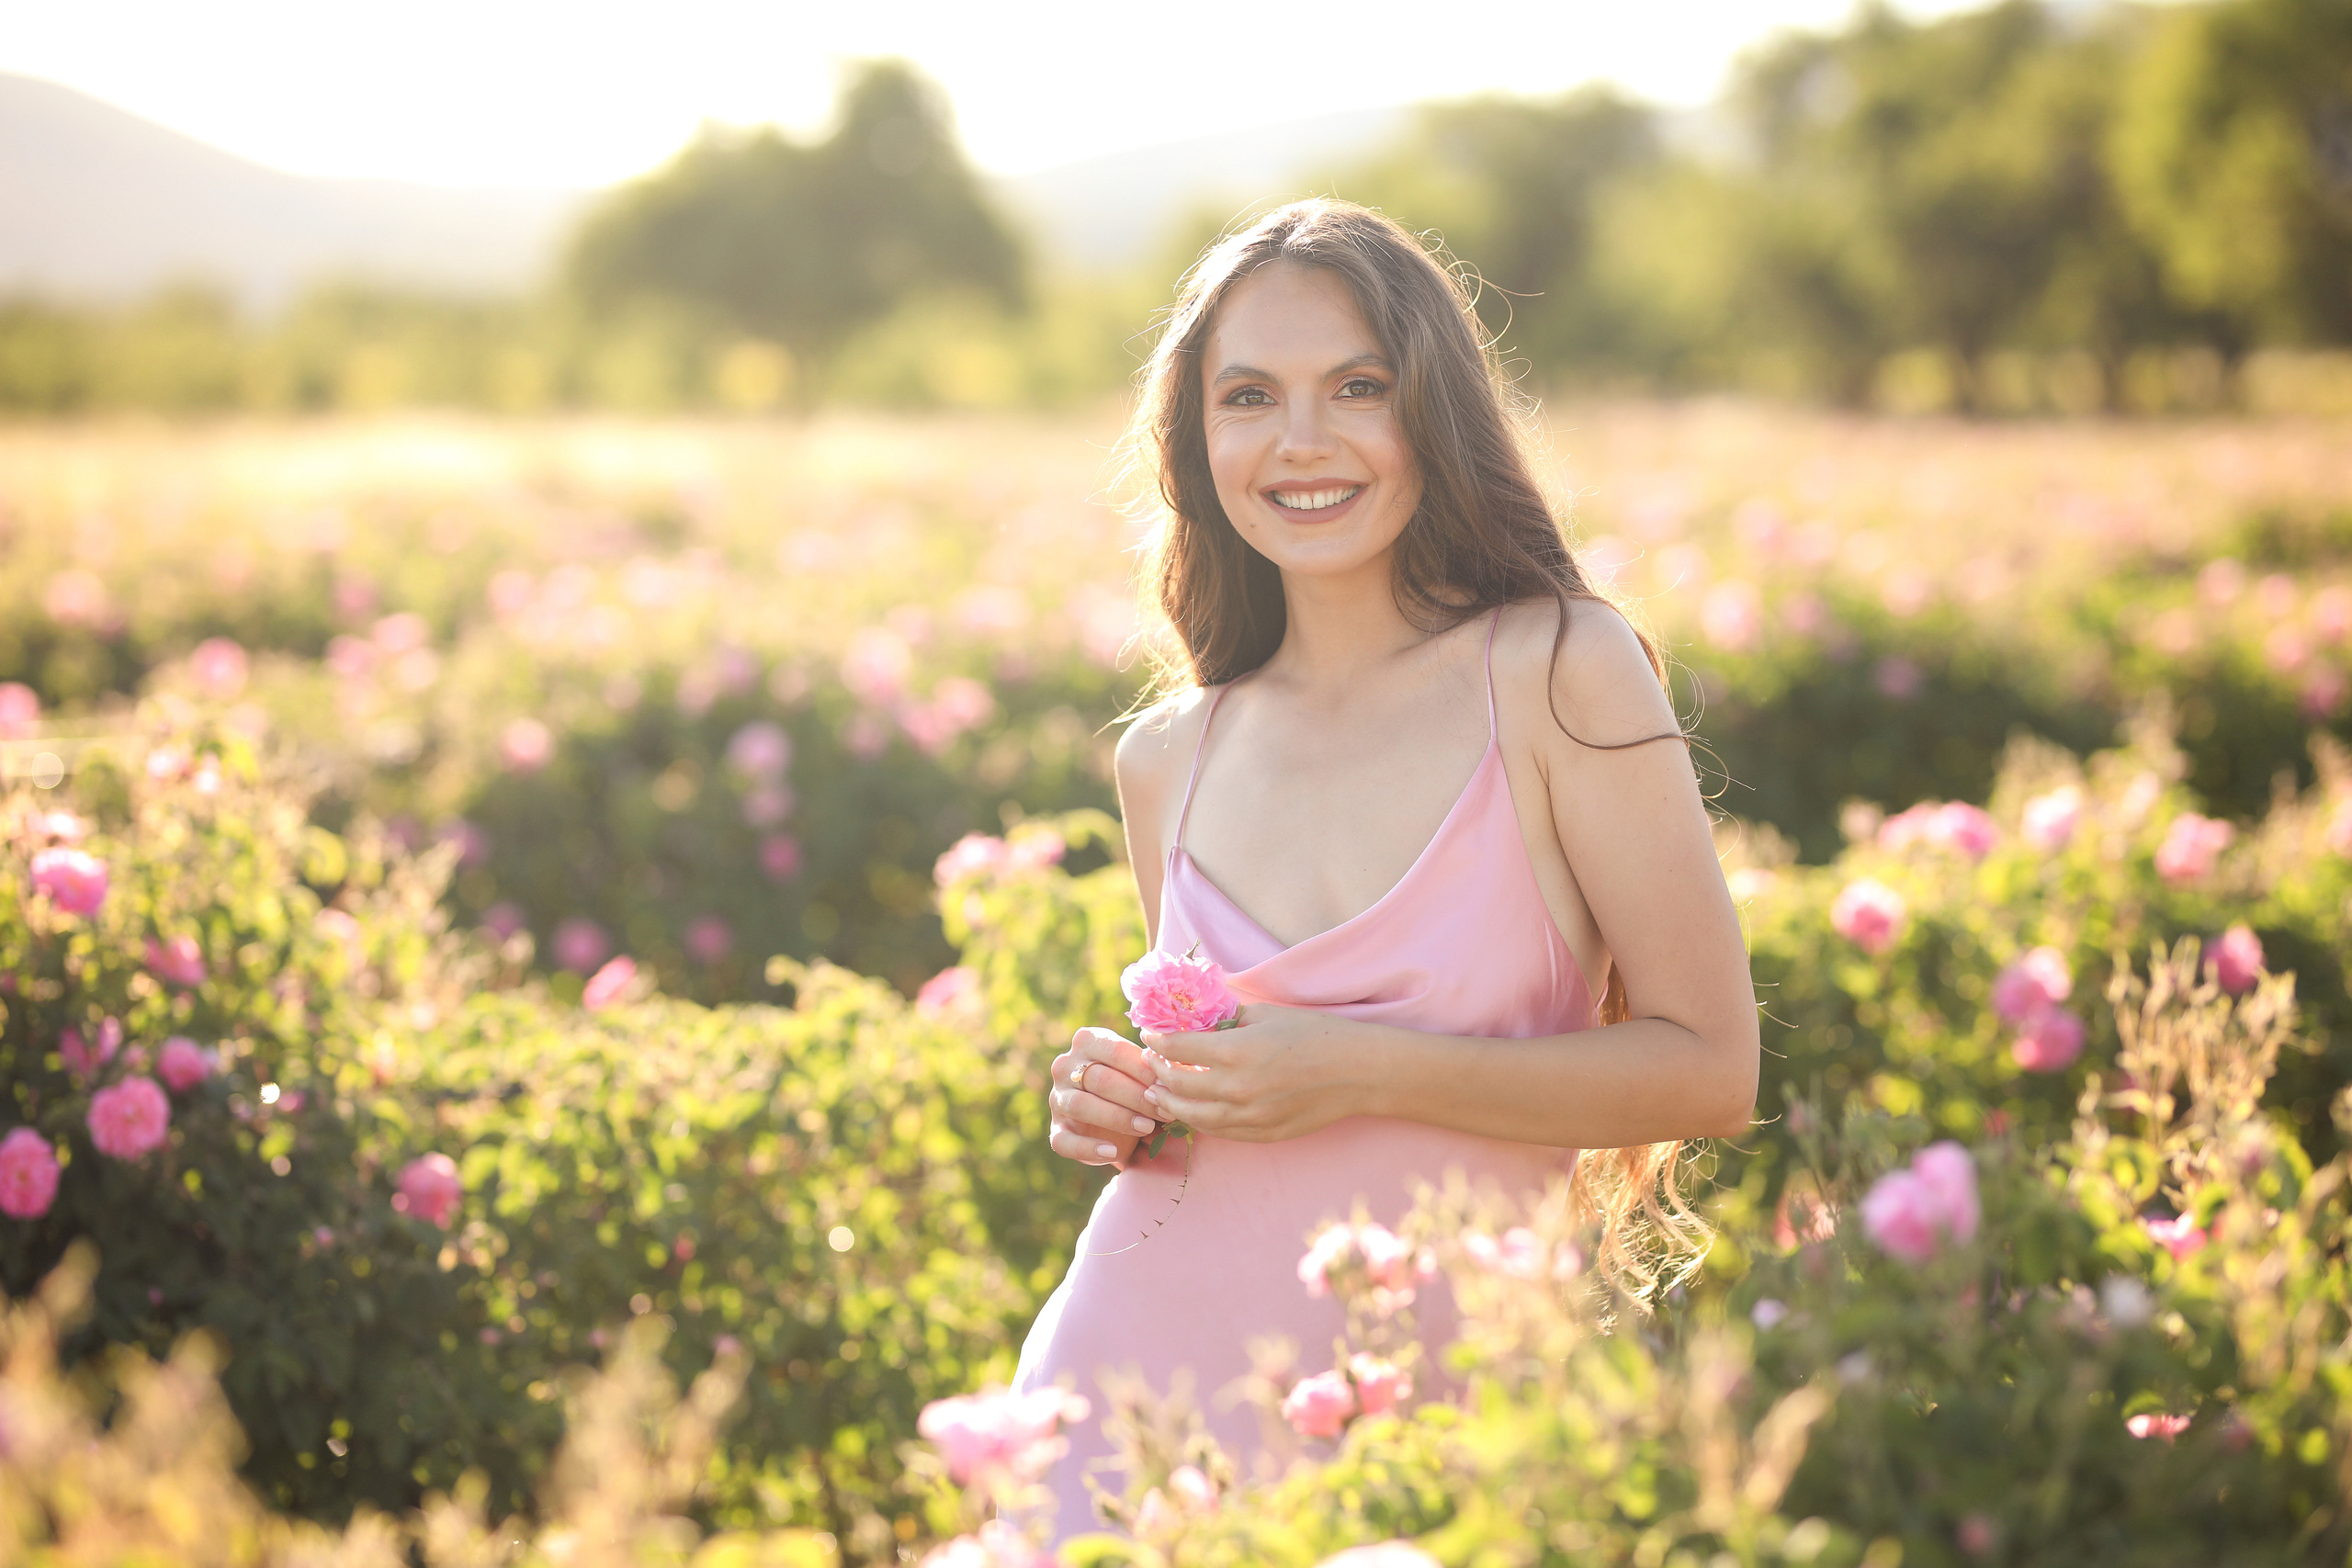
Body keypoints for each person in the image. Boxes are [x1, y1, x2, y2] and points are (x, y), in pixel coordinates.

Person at [1011, 198, 1758, 1540]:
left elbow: (1710, 1068)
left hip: (1443, 1404)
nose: (1303, 441)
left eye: (1358, 387)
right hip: (1127, 1398)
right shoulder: (1169, 756)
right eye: (1250, 397)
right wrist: (1119, 1095)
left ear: (1434, 411)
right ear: (1200, 443)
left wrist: (1357, 1069)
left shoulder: (1557, 669)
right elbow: (1227, 1096)